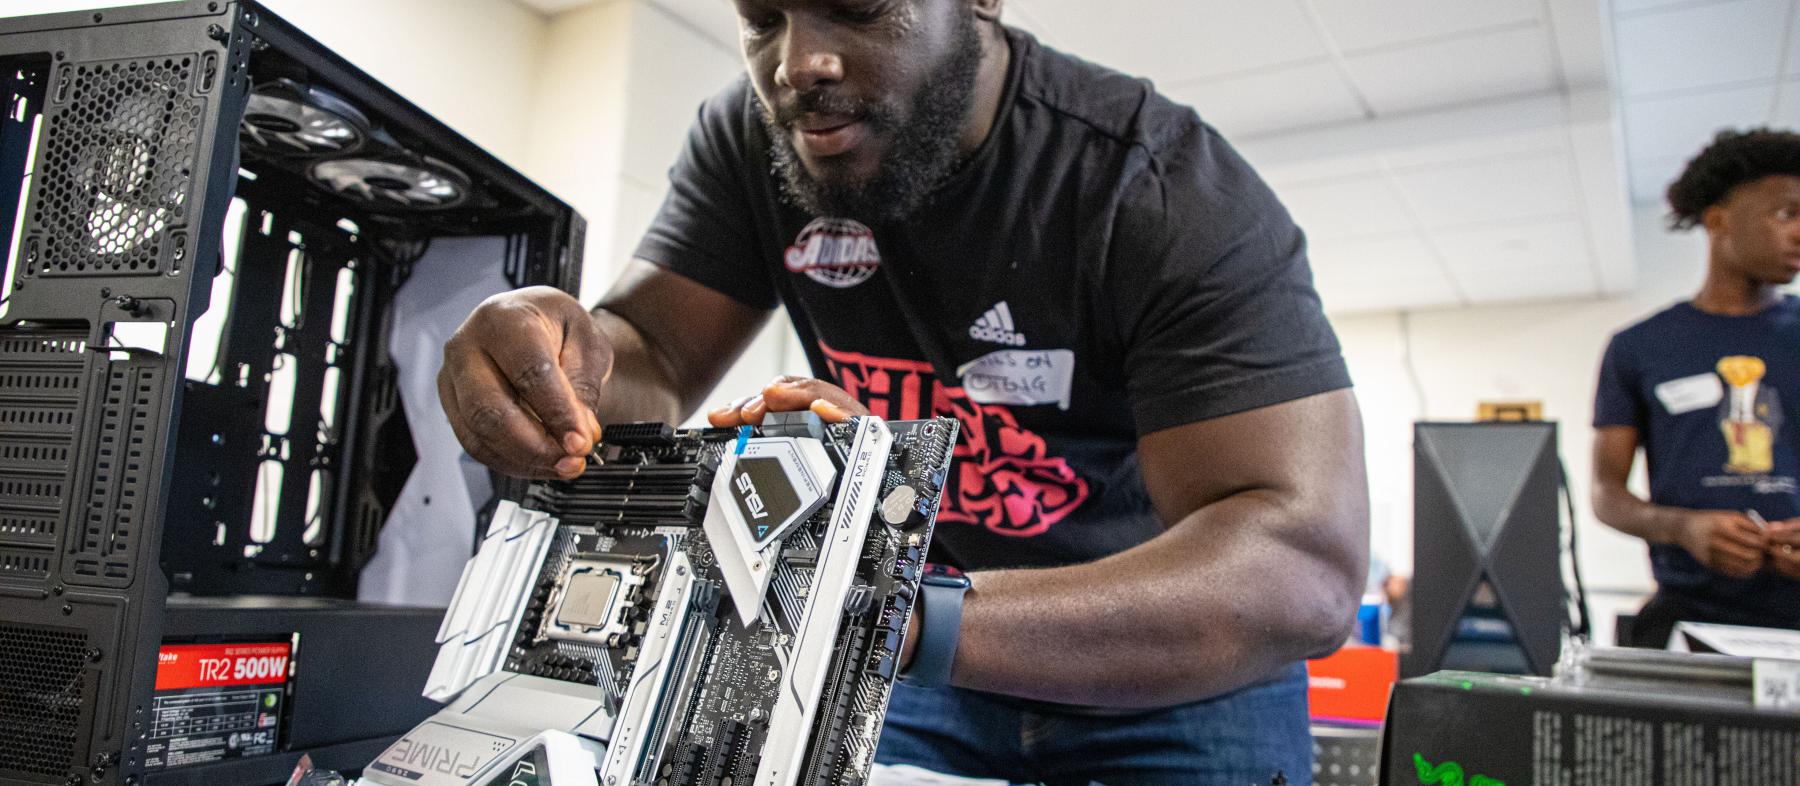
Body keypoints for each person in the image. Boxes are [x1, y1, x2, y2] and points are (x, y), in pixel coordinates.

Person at [436, 0, 1369, 782]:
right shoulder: (756, 141)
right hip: (909, 646)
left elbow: (1300, 566)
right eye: (763, 18)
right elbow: (654, 359)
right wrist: (557, 367)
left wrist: (896, 609)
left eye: (860, 4)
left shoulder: (1155, 183)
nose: (798, 62)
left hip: (1169, 674)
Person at [1593, 128, 1800, 650]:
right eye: (1785, 214)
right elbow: (1607, 495)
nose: (1799, 231)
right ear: (1718, 221)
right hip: (1688, 625)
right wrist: (1682, 528)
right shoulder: (1638, 347)